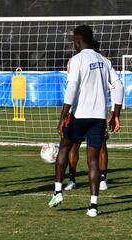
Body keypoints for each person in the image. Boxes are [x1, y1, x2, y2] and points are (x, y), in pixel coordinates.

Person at [48, 25, 124, 217]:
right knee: (93, 161)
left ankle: (58, 192)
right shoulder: (104, 60)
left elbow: (72, 87)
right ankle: (93, 207)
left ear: (78, 41)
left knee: (64, 147)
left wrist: (63, 116)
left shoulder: (77, 59)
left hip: (79, 115)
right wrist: (116, 115)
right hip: (98, 118)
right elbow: (119, 86)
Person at [64, 40, 112, 191]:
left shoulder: (104, 65)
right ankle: (72, 179)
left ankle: (102, 178)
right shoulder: (76, 62)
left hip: (97, 112)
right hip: (79, 111)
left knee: (100, 146)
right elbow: (72, 86)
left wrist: (112, 111)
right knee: (74, 145)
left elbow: (115, 87)